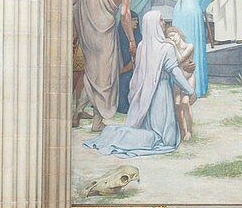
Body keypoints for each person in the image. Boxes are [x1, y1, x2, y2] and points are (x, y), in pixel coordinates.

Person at [83, 10, 196, 157]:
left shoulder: (142, 46)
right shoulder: (165, 48)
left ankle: (119, 136)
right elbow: (174, 72)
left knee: (150, 127)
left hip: (145, 91)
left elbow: (138, 73)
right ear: (154, 24)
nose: (164, 23)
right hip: (161, 91)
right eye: (161, 20)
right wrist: (190, 90)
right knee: (163, 137)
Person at [73, 0, 135, 130]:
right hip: (105, 33)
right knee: (105, 76)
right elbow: (124, 15)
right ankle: (97, 121)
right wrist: (131, 40)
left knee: (92, 73)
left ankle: (77, 112)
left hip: (89, 32)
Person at [116, 0, 178, 112]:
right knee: (136, 63)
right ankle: (131, 102)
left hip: (128, 22)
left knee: (131, 62)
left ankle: (127, 102)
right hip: (136, 23)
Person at [171, 0, 220, 96]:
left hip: (178, 11)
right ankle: (196, 88)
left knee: (179, 45)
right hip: (192, 13)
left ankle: (177, 86)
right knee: (195, 47)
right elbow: (203, 8)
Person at [165, 24, 196, 139]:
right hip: (178, 80)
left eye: (173, 35)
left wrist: (173, 45)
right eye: (170, 37)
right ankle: (182, 130)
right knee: (177, 104)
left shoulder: (189, 46)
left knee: (185, 102)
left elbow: (180, 59)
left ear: (178, 34)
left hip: (188, 77)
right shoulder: (172, 49)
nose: (172, 38)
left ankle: (189, 131)